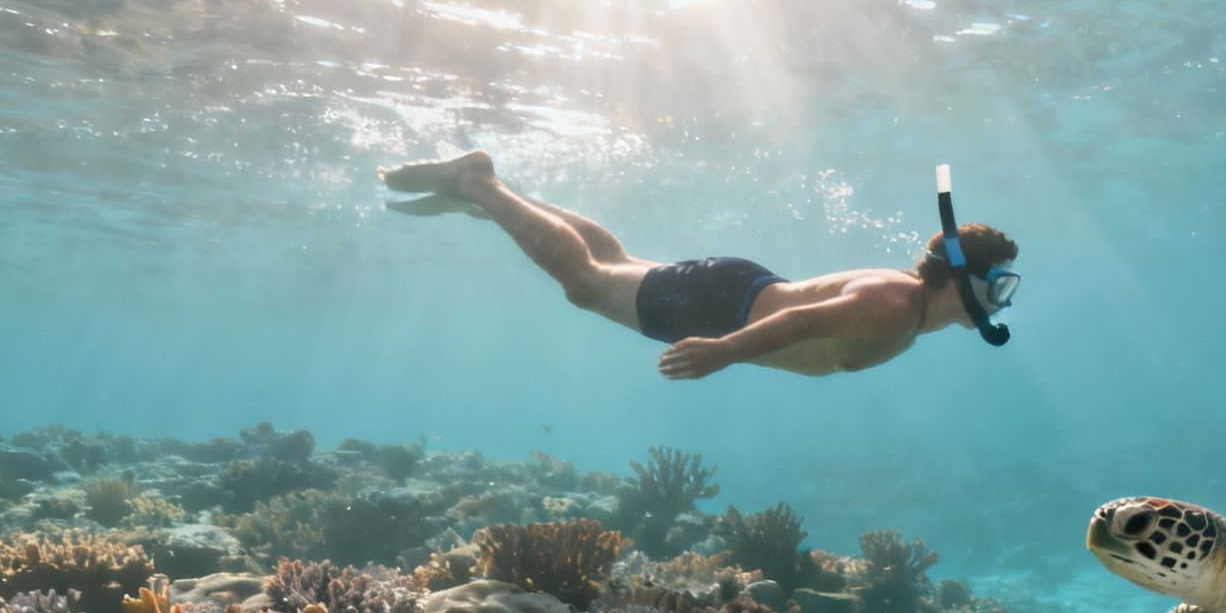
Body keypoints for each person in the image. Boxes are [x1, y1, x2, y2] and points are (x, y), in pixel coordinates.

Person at [379, 151, 1019, 379]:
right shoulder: (897, 302)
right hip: (724, 309)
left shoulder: (906, 302)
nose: (1004, 302)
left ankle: (498, 201)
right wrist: (726, 351)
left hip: (731, 292)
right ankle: (481, 183)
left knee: (610, 260)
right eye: (1001, 287)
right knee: (586, 283)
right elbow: (800, 324)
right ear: (964, 276)